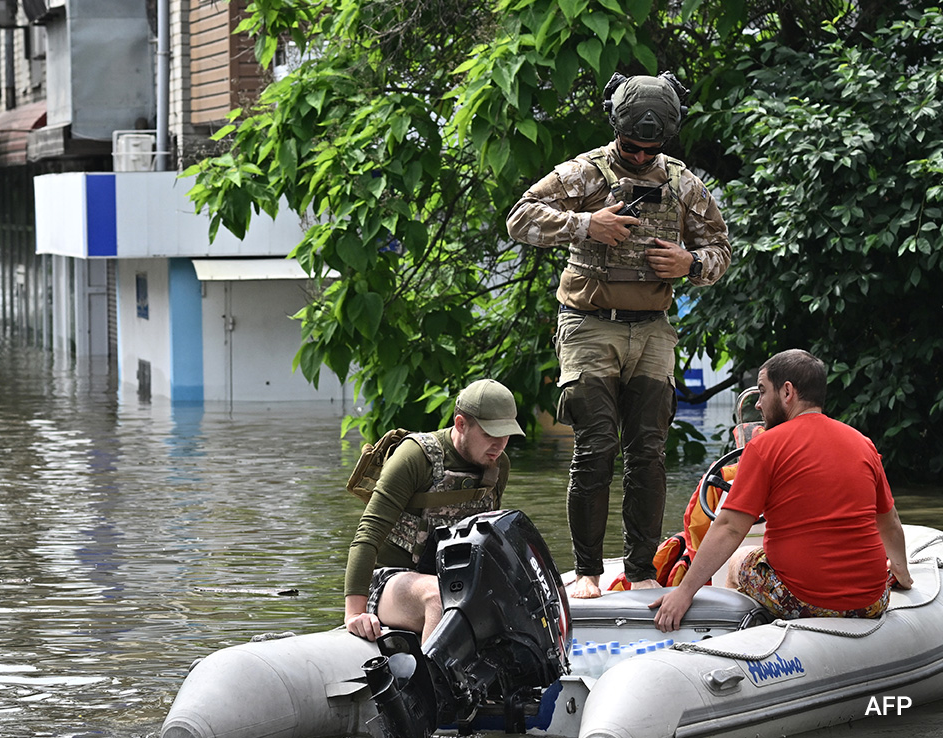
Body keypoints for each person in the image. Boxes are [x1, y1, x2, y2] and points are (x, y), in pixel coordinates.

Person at [505, 72, 732, 598]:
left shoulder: (682, 184)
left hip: (652, 329)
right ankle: (586, 571)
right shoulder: (585, 173)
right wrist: (587, 226)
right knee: (596, 445)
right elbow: (519, 218)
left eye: (650, 149)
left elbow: (721, 250)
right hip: (589, 323)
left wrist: (689, 261)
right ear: (616, 132)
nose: (639, 156)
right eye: (630, 147)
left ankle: (644, 569)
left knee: (649, 451)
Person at [651, 349, 913, 632]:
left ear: (787, 391)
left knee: (741, 559)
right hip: (870, 601)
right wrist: (901, 572)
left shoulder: (764, 447)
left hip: (802, 599)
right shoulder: (863, 444)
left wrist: (684, 592)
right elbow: (891, 523)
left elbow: (729, 528)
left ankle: (739, 642)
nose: (760, 404)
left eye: (762, 391)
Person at [344, 379, 525, 641]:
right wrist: (354, 614)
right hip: (391, 581)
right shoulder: (415, 457)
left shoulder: (498, 464)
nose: (499, 445)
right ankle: (434, 680)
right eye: (489, 434)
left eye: (505, 435)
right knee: (440, 599)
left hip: (456, 578)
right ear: (461, 424)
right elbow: (368, 533)